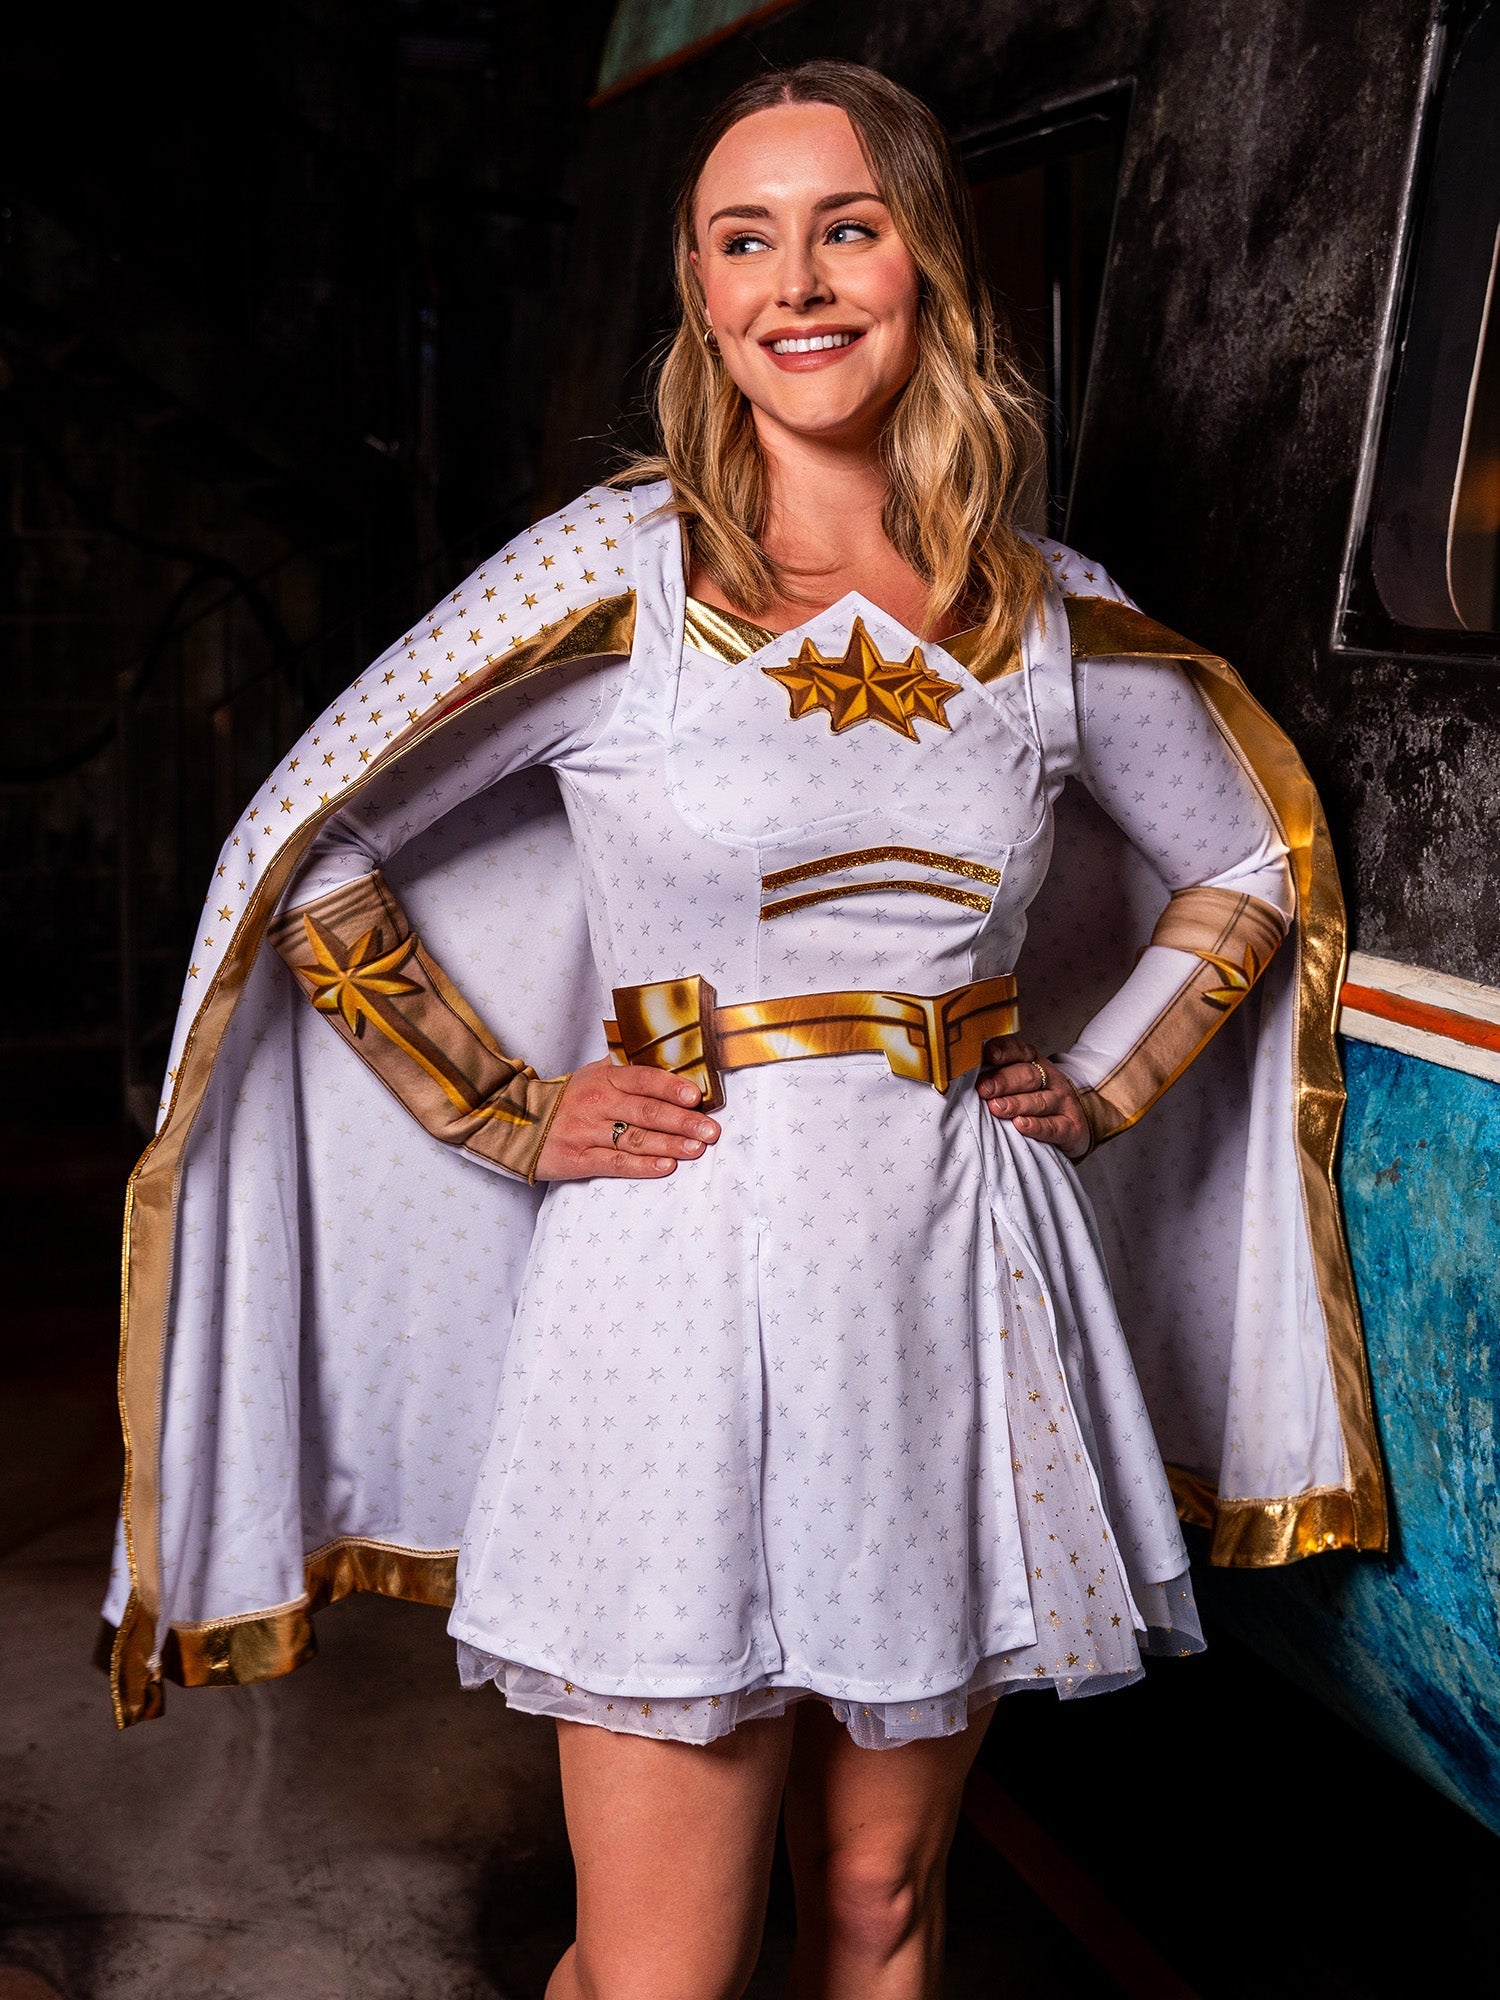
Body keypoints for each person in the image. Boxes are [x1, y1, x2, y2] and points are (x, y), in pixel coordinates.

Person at [105, 59, 1385, 2000]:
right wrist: (510, 1103)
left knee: (879, 1911)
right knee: (663, 1972)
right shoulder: (612, 578)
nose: (799, 278)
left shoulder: (1043, 618)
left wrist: (1108, 1082)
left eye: (847, 225)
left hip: (957, 1285)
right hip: (670, 1296)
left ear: (925, 266)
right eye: (744, 236)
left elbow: (1246, 860)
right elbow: (320, 841)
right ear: (703, 293)